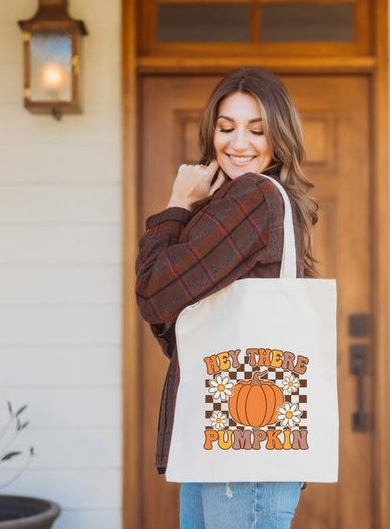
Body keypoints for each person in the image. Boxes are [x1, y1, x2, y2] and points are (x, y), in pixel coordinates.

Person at [135, 66, 318, 529]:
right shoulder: (240, 203)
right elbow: (178, 321)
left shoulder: (255, 197)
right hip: (222, 428)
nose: (238, 143)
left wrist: (177, 203)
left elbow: (155, 297)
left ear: (279, 137)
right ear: (210, 132)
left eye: (257, 130)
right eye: (226, 127)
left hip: (241, 436)